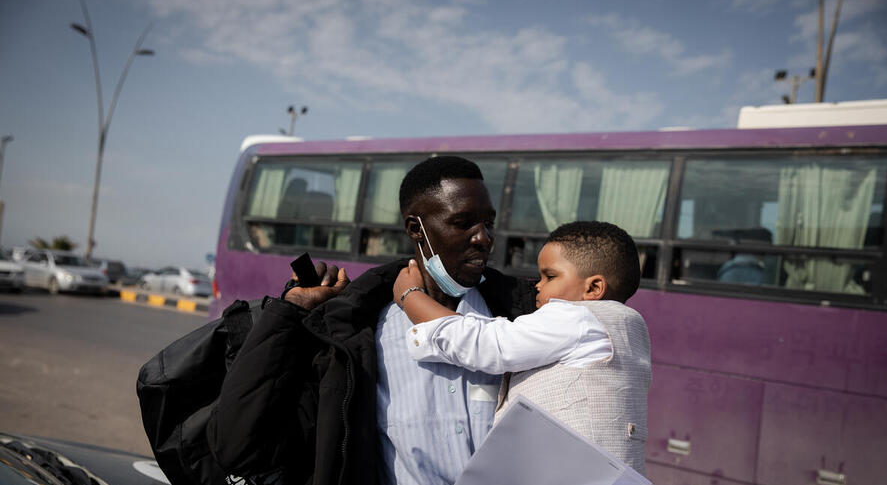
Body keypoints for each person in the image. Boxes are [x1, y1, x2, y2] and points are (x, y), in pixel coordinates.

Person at [207, 156, 537, 485]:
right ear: (416, 229)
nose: (484, 238)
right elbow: (238, 446)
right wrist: (290, 312)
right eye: (463, 223)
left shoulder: (521, 320)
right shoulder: (358, 334)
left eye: (488, 224)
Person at [393, 221, 652, 475]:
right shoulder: (629, 327)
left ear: (593, 288)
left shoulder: (576, 318)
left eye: (550, 276)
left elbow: (488, 344)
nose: (537, 285)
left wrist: (411, 296)